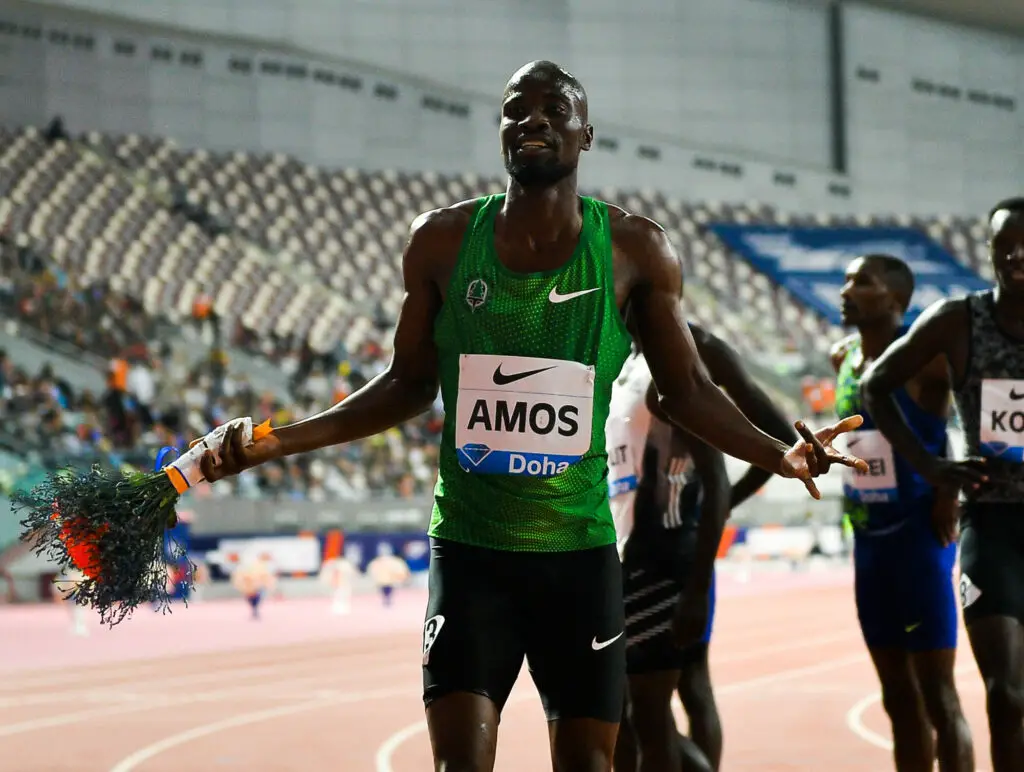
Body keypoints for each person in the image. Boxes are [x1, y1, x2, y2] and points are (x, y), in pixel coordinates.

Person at [199, 60, 866, 772]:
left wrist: (779, 455)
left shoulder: (635, 250)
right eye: (517, 109)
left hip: (578, 556)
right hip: (471, 551)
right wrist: (278, 440)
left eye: (555, 108)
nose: (534, 120)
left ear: (587, 135)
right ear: (500, 131)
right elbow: (406, 385)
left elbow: (687, 391)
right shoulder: (442, 241)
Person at [862, 199, 1024, 772]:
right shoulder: (959, 321)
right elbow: (875, 386)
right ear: (988, 250)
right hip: (993, 526)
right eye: (1005, 244)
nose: (1017, 255)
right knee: (1006, 695)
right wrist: (930, 466)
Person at [607, 324, 798, 772]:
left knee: (668, 701)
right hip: (633, 551)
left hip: (669, 556)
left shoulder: (690, 352)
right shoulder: (624, 355)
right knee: (640, 708)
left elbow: (767, 447)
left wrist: (723, 505)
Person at [832, 254, 973, 772]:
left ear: (896, 299)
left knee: (938, 695)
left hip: (920, 538)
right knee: (897, 697)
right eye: (846, 280)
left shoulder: (925, 358)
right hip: (869, 544)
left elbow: (969, 413)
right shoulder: (843, 358)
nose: (846, 290)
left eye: (861, 282)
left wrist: (949, 487)